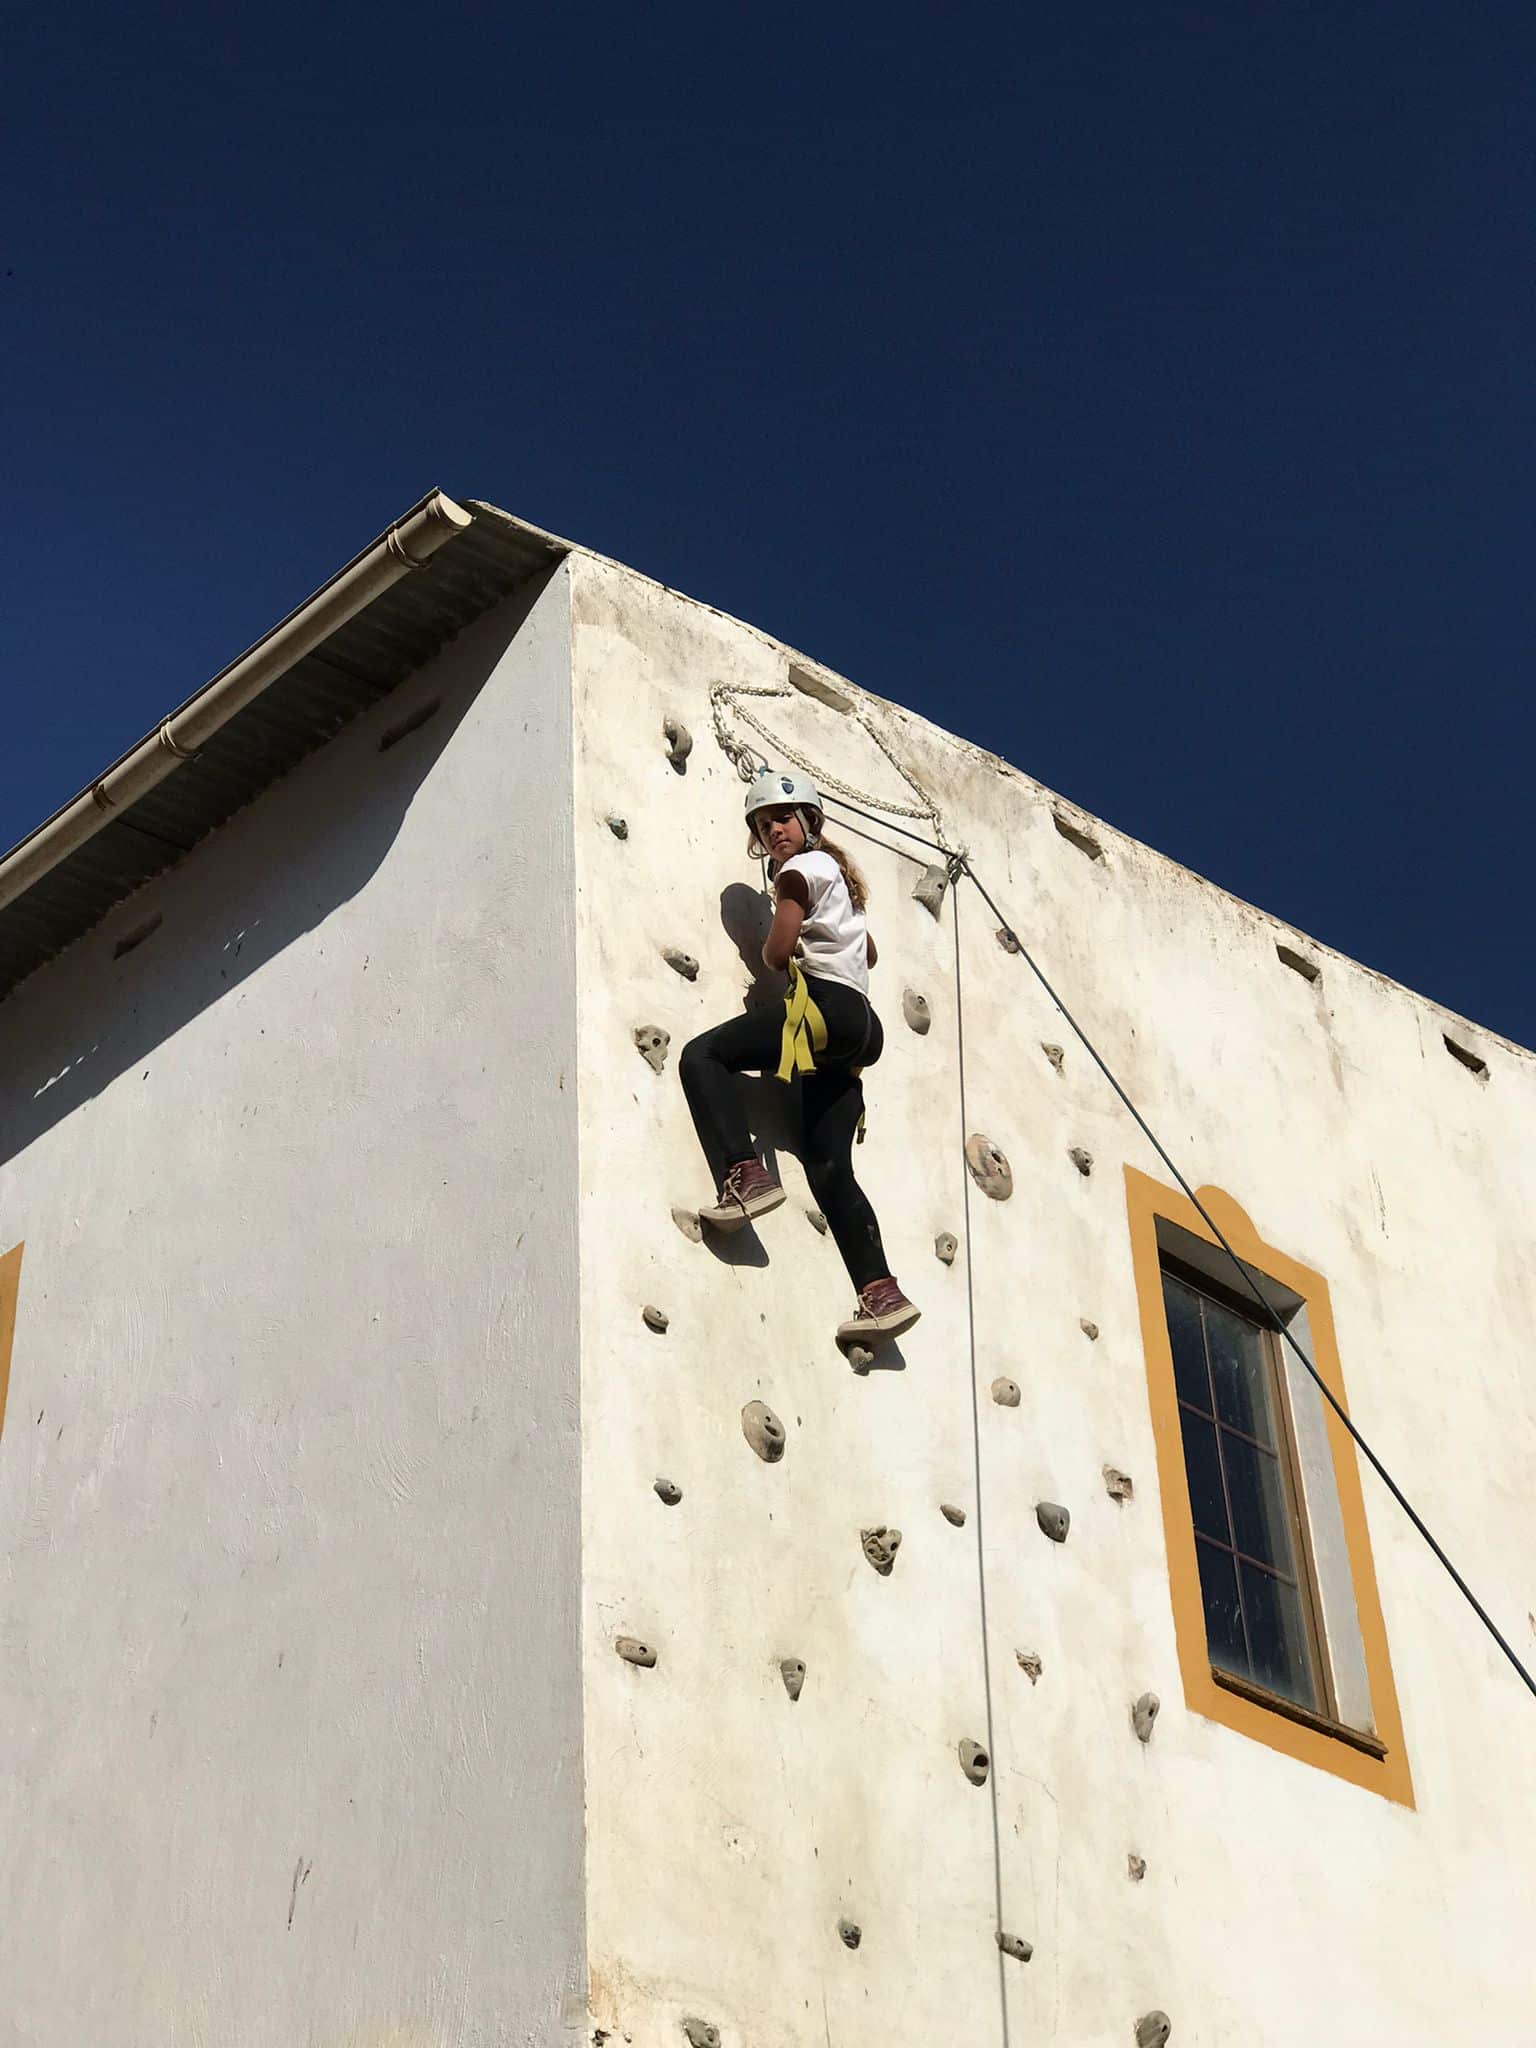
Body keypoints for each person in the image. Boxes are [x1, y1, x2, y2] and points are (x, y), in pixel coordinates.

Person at [678, 767, 920, 1349]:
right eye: (764, 827)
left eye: (782, 819)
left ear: (809, 821)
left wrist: (773, 950)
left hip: (827, 1012)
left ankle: (745, 1175)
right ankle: (881, 1292)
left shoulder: (796, 873)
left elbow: (778, 949)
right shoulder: (842, 884)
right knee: (829, 1165)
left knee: (701, 1055)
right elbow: (869, 953)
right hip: (862, 1031)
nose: (773, 832)